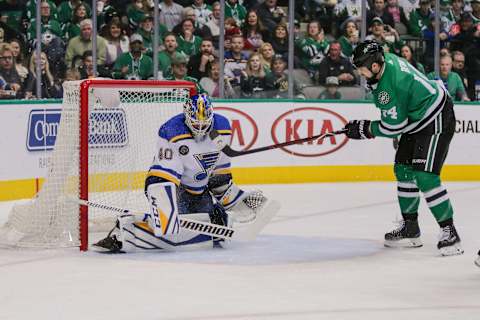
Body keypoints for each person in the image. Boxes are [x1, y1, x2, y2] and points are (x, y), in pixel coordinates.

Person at [93, 94, 274, 252]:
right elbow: (165, 174)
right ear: (187, 117)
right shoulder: (172, 131)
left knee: (213, 231)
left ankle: (210, 218)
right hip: (169, 185)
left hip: (199, 192)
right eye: (196, 123)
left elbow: (219, 176)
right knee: (169, 229)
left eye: (205, 124)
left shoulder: (222, 127)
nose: (201, 129)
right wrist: (166, 208)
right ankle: (126, 231)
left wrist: (237, 200)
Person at [345, 40, 463, 256]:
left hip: (436, 116)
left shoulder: (388, 87)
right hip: (416, 117)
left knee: (425, 176)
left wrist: (365, 129)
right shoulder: (385, 63)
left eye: (361, 67)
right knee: (403, 169)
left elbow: (393, 126)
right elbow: (397, 118)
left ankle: (450, 232)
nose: (359, 72)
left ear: (373, 66)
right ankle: (411, 229)